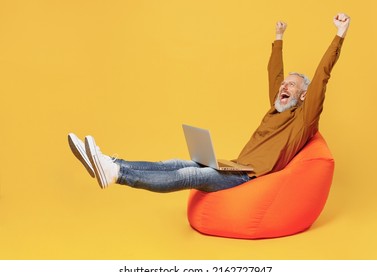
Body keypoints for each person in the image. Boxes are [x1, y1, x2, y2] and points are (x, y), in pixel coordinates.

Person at [68, 13, 350, 192]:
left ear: (303, 95)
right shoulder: (275, 108)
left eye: (291, 85)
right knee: (177, 162)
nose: (283, 87)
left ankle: (116, 173)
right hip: (232, 166)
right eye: (283, 84)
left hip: (247, 179)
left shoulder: (303, 119)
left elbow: (322, 76)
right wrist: (278, 38)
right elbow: (273, 74)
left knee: (190, 174)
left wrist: (339, 34)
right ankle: (108, 162)